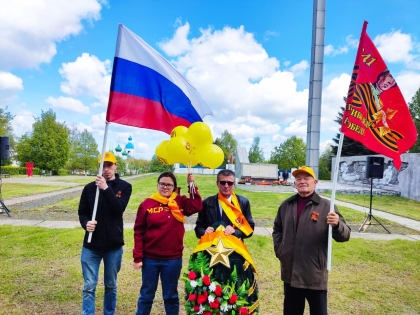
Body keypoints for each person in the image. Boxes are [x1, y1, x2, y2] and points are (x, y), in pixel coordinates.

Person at [272, 166, 350, 315]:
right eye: (298, 179)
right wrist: (280, 250)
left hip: (315, 275)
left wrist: (337, 224)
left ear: (315, 182)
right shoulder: (286, 205)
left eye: (306, 178)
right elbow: (277, 229)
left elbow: (345, 236)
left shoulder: (327, 206)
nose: (302, 181)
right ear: (294, 184)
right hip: (291, 275)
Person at [133, 172, 202, 315]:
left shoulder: (180, 201)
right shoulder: (147, 204)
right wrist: (138, 257)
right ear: (157, 185)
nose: (165, 187)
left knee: (170, 296)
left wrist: (192, 185)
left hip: (172, 259)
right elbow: (138, 231)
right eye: (162, 184)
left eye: (169, 185)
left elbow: (196, 205)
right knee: (146, 295)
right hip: (150, 259)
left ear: (174, 187)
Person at [78, 152, 132, 315]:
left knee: (110, 285)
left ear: (116, 165)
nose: (106, 169)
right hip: (91, 246)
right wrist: (86, 223)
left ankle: (109, 312)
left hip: (113, 246)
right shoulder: (88, 188)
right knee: (89, 286)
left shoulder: (125, 187)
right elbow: (82, 212)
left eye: (109, 165)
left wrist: (106, 188)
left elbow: (118, 209)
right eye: (103, 166)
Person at [195, 169, 254, 240]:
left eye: (230, 183)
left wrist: (235, 232)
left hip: (234, 248)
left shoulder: (243, 202)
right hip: (211, 247)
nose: (226, 186)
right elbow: (198, 228)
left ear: (234, 184)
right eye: (223, 182)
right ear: (217, 183)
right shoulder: (206, 203)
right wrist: (204, 232)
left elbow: (250, 229)